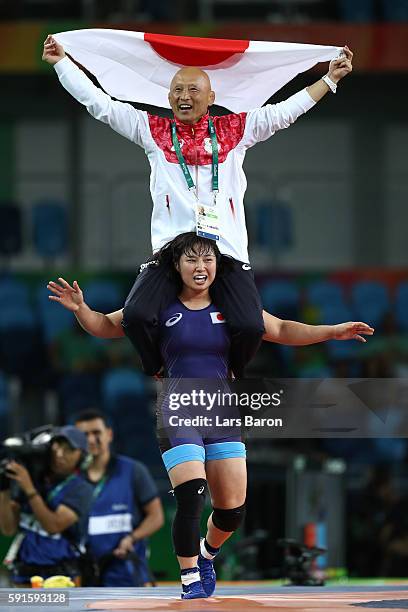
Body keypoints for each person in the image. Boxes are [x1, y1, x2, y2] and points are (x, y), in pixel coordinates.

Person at [47, 232, 373, 598]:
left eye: (207, 260)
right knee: (191, 494)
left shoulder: (233, 309)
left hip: (222, 414)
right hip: (178, 411)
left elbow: (280, 329)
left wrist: (333, 331)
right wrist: (81, 310)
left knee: (232, 512)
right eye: (191, 260)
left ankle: (206, 554)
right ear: (176, 266)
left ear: (218, 265)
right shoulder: (160, 306)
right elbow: (105, 326)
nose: (200, 267)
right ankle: (189, 579)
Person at [42, 35, 354, 379]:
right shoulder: (152, 131)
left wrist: (329, 79)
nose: (183, 97)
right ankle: (156, 365)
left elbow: (284, 113)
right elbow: (100, 104)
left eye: (192, 90)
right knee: (136, 317)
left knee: (250, 325)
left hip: (227, 252)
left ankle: (230, 368)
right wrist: (62, 64)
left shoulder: (237, 130)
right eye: (177, 90)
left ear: (211, 97)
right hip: (171, 253)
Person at [74, 409, 164, 586]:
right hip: (86, 576)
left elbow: (156, 517)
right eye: (84, 435)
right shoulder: (71, 478)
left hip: (128, 575)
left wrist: (132, 537)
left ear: (109, 434)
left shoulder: (133, 471)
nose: (91, 439)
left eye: (96, 433)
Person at [0, 426, 93, 586]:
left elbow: (53, 525)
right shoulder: (34, 479)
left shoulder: (81, 489)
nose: (60, 455)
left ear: (82, 457)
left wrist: (29, 488)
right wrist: (4, 488)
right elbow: (8, 529)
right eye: (57, 448)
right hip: (24, 575)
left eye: (69, 450)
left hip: (60, 577)